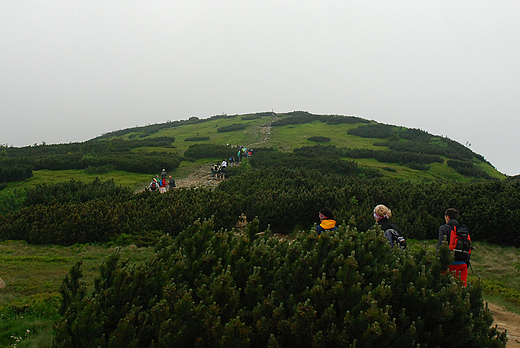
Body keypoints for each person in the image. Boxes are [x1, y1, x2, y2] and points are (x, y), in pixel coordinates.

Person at [437, 208, 470, 286]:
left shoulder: (444, 228)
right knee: (461, 290)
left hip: (448, 265)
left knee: (445, 288)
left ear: (447, 217)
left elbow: (441, 246)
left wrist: (438, 262)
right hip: (463, 265)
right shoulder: (463, 230)